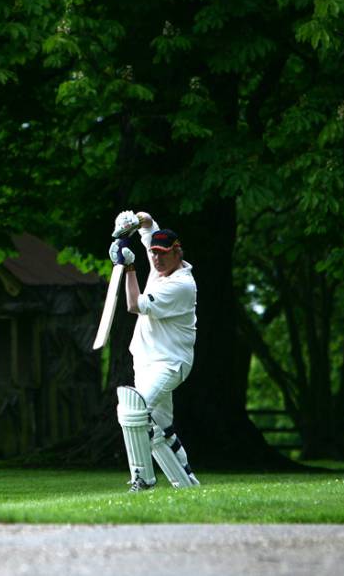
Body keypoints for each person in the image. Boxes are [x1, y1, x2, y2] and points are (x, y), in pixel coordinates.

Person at [108, 210, 200, 492]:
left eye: (162, 253)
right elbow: (148, 222)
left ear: (177, 252)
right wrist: (132, 223)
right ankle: (187, 480)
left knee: (133, 412)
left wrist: (130, 268)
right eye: (153, 253)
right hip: (145, 359)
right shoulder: (160, 264)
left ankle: (143, 479)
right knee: (160, 425)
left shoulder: (181, 285)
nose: (156, 259)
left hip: (170, 363)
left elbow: (134, 305)